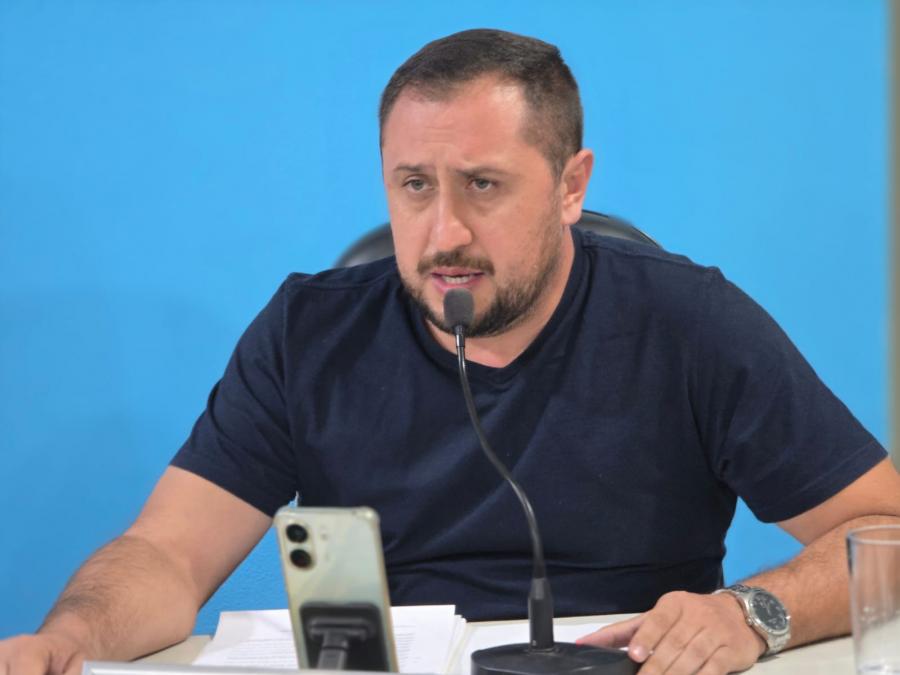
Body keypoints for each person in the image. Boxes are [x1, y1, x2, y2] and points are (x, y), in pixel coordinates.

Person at [3, 28, 900, 675]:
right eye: (414, 185)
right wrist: (70, 636)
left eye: (483, 184)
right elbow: (166, 554)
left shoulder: (690, 321)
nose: (444, 232)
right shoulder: (307, 333)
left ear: (571, 186)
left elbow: (887, 530)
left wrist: (756, 612)